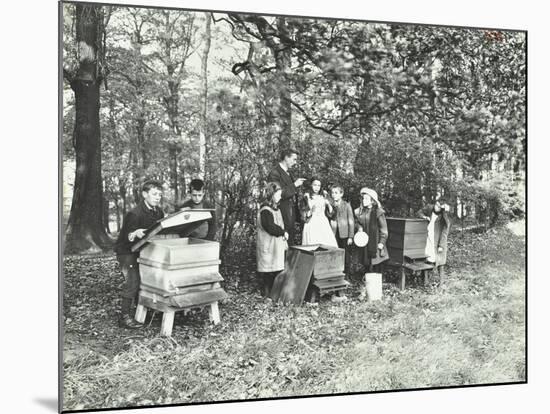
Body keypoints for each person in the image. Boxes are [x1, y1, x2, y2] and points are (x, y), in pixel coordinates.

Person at [114, 180, 165, 329]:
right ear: (144, 194)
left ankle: (141, 312)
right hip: (127, 252)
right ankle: (124, 317)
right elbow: (126, 237)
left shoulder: (159, 212)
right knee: (132, 282)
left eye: (160, 195)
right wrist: (134, 234)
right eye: (154, 194)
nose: (157, 197)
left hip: (143, 251)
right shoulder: (134, 214)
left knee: (146, 281)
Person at [256, 182, 289, 297]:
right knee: (267, 272)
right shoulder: (265, 210)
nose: (280, 197)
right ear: (271, 194)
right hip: (267, 245)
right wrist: (282, 232)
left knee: (276, 270)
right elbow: (270, 227)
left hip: (276, 246)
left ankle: (275, 295)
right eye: (278, 194)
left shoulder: (276, 209)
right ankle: (267, 295)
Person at [267, 149, 306, 245]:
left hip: (290, 215)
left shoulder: (289, 173)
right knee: (282, 244)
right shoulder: (275, 173)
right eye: (294, 159)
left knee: (290, 243)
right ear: (286, 158)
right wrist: (295, 185)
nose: (295, 162)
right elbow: (277, 196)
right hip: (281, 214)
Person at [354, 187, 389, 272]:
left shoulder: (378, 212)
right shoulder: (361, 212)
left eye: (366, 198)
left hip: (375, 241)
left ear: (372, 201)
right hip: (365, 241)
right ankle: (366, 278)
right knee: (366, 261)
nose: (363, 200)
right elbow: (357, 222)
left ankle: (376, 279)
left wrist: (381, 242)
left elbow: (384, 229)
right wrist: (359, 227)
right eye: (363, 198)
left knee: (376, 262)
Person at [418, 197, 452, 281]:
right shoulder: (430, 208)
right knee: (426, 258)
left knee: (440, 262)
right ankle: (425, 281)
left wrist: (441, 245)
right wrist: (424, 217)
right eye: (436, 205)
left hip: (438, 241)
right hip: (428, 238)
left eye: (439, 207)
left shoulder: (444, 217)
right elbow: (419, 212)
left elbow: (444, 233)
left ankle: (441, 282)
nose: (436, 207)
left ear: (443, 208)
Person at [301, 178, 338, 247]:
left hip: (323, 222)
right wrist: (311, 210)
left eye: (319, 185)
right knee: (312, 245)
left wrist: (328, 204)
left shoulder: (324, 196)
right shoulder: (307, 197)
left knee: (327, 245)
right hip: (311, 223)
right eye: (315, 185)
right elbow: (303, 215)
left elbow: (332, 213)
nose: (317, 187)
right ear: (311, 185)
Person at [329, 185, 355, 272]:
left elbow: (351, 221)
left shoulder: (346, 205)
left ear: (341, 194)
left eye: (336, 193)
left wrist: (350, 236)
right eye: (332, 193)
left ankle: (346, 273)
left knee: (345, 254)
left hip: (344, 234)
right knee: (335, 253)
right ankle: (336, 272)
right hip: (333, 233)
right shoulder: (330, 205)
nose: (334, 195)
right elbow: (329, 217)